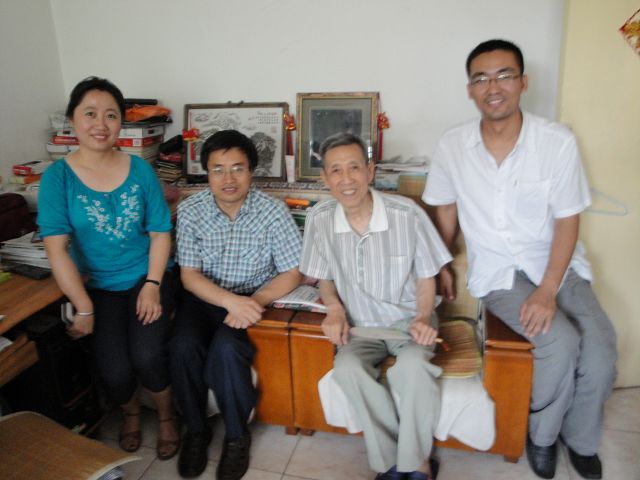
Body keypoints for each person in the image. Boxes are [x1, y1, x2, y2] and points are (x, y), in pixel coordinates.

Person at [423, 39, 617, 480]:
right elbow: (445, 211)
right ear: (470, 90)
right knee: (559, 341)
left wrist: (548, 290)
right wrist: (440, 266)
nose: (493, 87)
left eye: (504, 75)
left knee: (601, 352)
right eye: (481, 78)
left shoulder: (557, 142)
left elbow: (568, 220)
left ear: (523, 82)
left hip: (559, 267)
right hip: (499, 274)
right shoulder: (453, 145)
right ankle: (542, 436)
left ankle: (580, 440)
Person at [38, 77, 179, 459]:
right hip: (98, 286)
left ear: (121, 123)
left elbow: (160, 233)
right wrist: (83, 307)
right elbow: (56, 250)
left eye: (111, 115)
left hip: (147, 275)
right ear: (72, 119)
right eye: (90, 113)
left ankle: (166, 416)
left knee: (147, 355)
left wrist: (152, 284)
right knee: (114, 369)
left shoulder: (140, 170)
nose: (100, 124)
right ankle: (130, 414)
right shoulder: (57, 178)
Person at [300, 132, 452, 480]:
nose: (346, 179)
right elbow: (324, 277)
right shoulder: (319, 218)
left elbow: (426, 276)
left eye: (354, 167)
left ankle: (418, 463)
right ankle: (393, 462)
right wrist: (334, 310)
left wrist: (423, 316)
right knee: (347, 368)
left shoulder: (406, 214)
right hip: (360, 326)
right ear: (324, 178)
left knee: (413, 366)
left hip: (408, 322)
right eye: (335, 170)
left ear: (370, 171)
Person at [171, 129, 302, 480]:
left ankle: (236, 435)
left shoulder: (272, 212)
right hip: (205, 298)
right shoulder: (191, 210)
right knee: (182, 346)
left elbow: (293, 272)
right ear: (206, 173)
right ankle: (196, 430)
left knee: (227, 350)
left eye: (237, 168)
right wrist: (230, 302)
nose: (228, 179)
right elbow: (189, 276)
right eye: (218, 170)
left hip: (254, 299)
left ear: (251, 171)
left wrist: (254, 302)